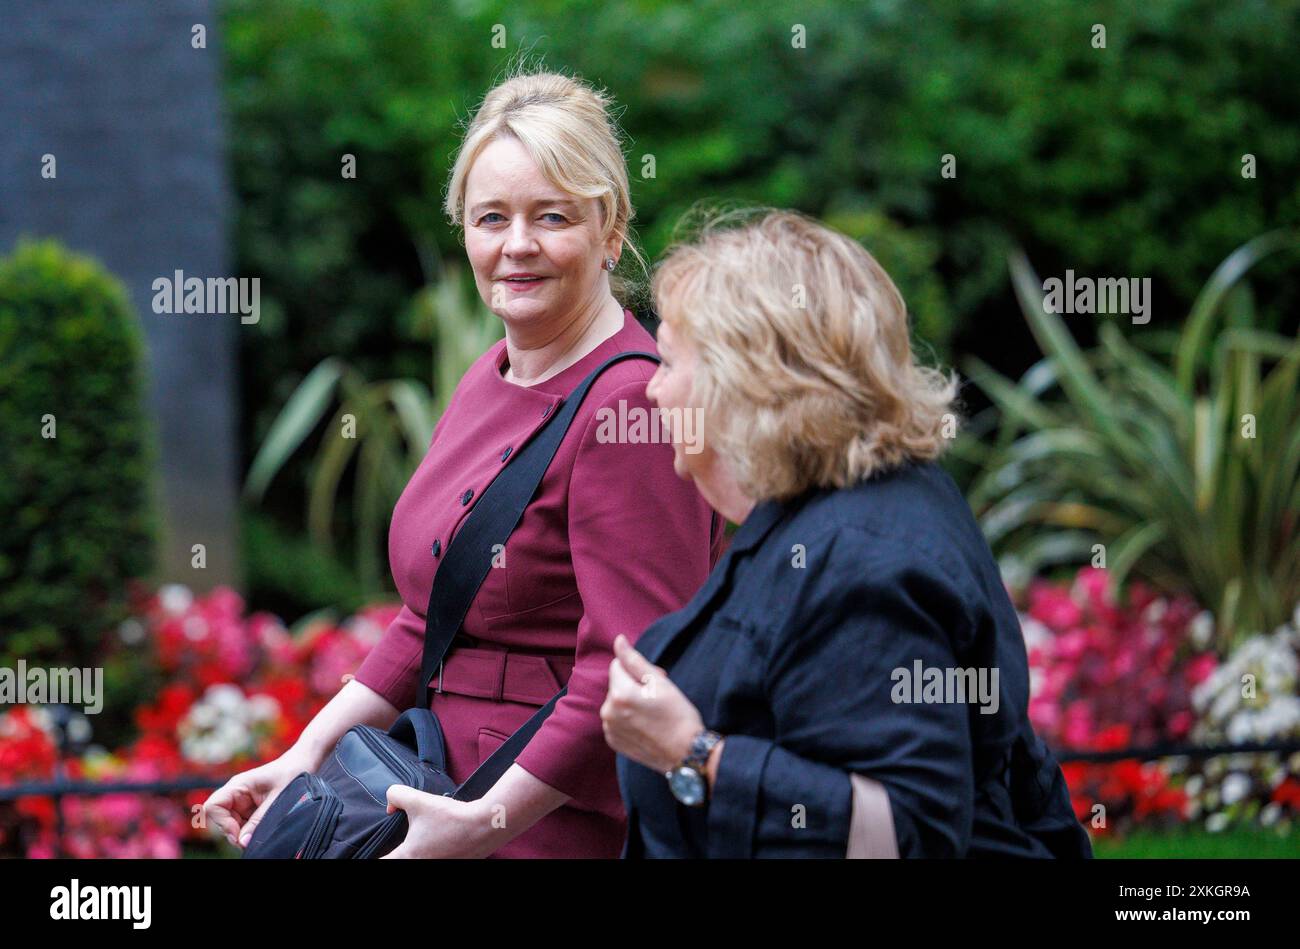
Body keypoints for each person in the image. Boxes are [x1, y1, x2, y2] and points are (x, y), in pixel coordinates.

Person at [206, 70, 720, 858]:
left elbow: (631, 670)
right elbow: (426, 619)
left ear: (611, 229)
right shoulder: (489, 376)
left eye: (552, 216)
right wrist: (303, 756)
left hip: (544, 823)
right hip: (432, 790)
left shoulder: (633, 405)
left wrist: (486, 823)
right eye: (491, 218)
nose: (517, 244)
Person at [601, 209, 1091, 858]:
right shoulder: (840, 507)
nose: (653, 392)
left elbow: (906, 830)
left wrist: (694, 752)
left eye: (667, 362)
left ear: (740, 379)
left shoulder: (862, 557)